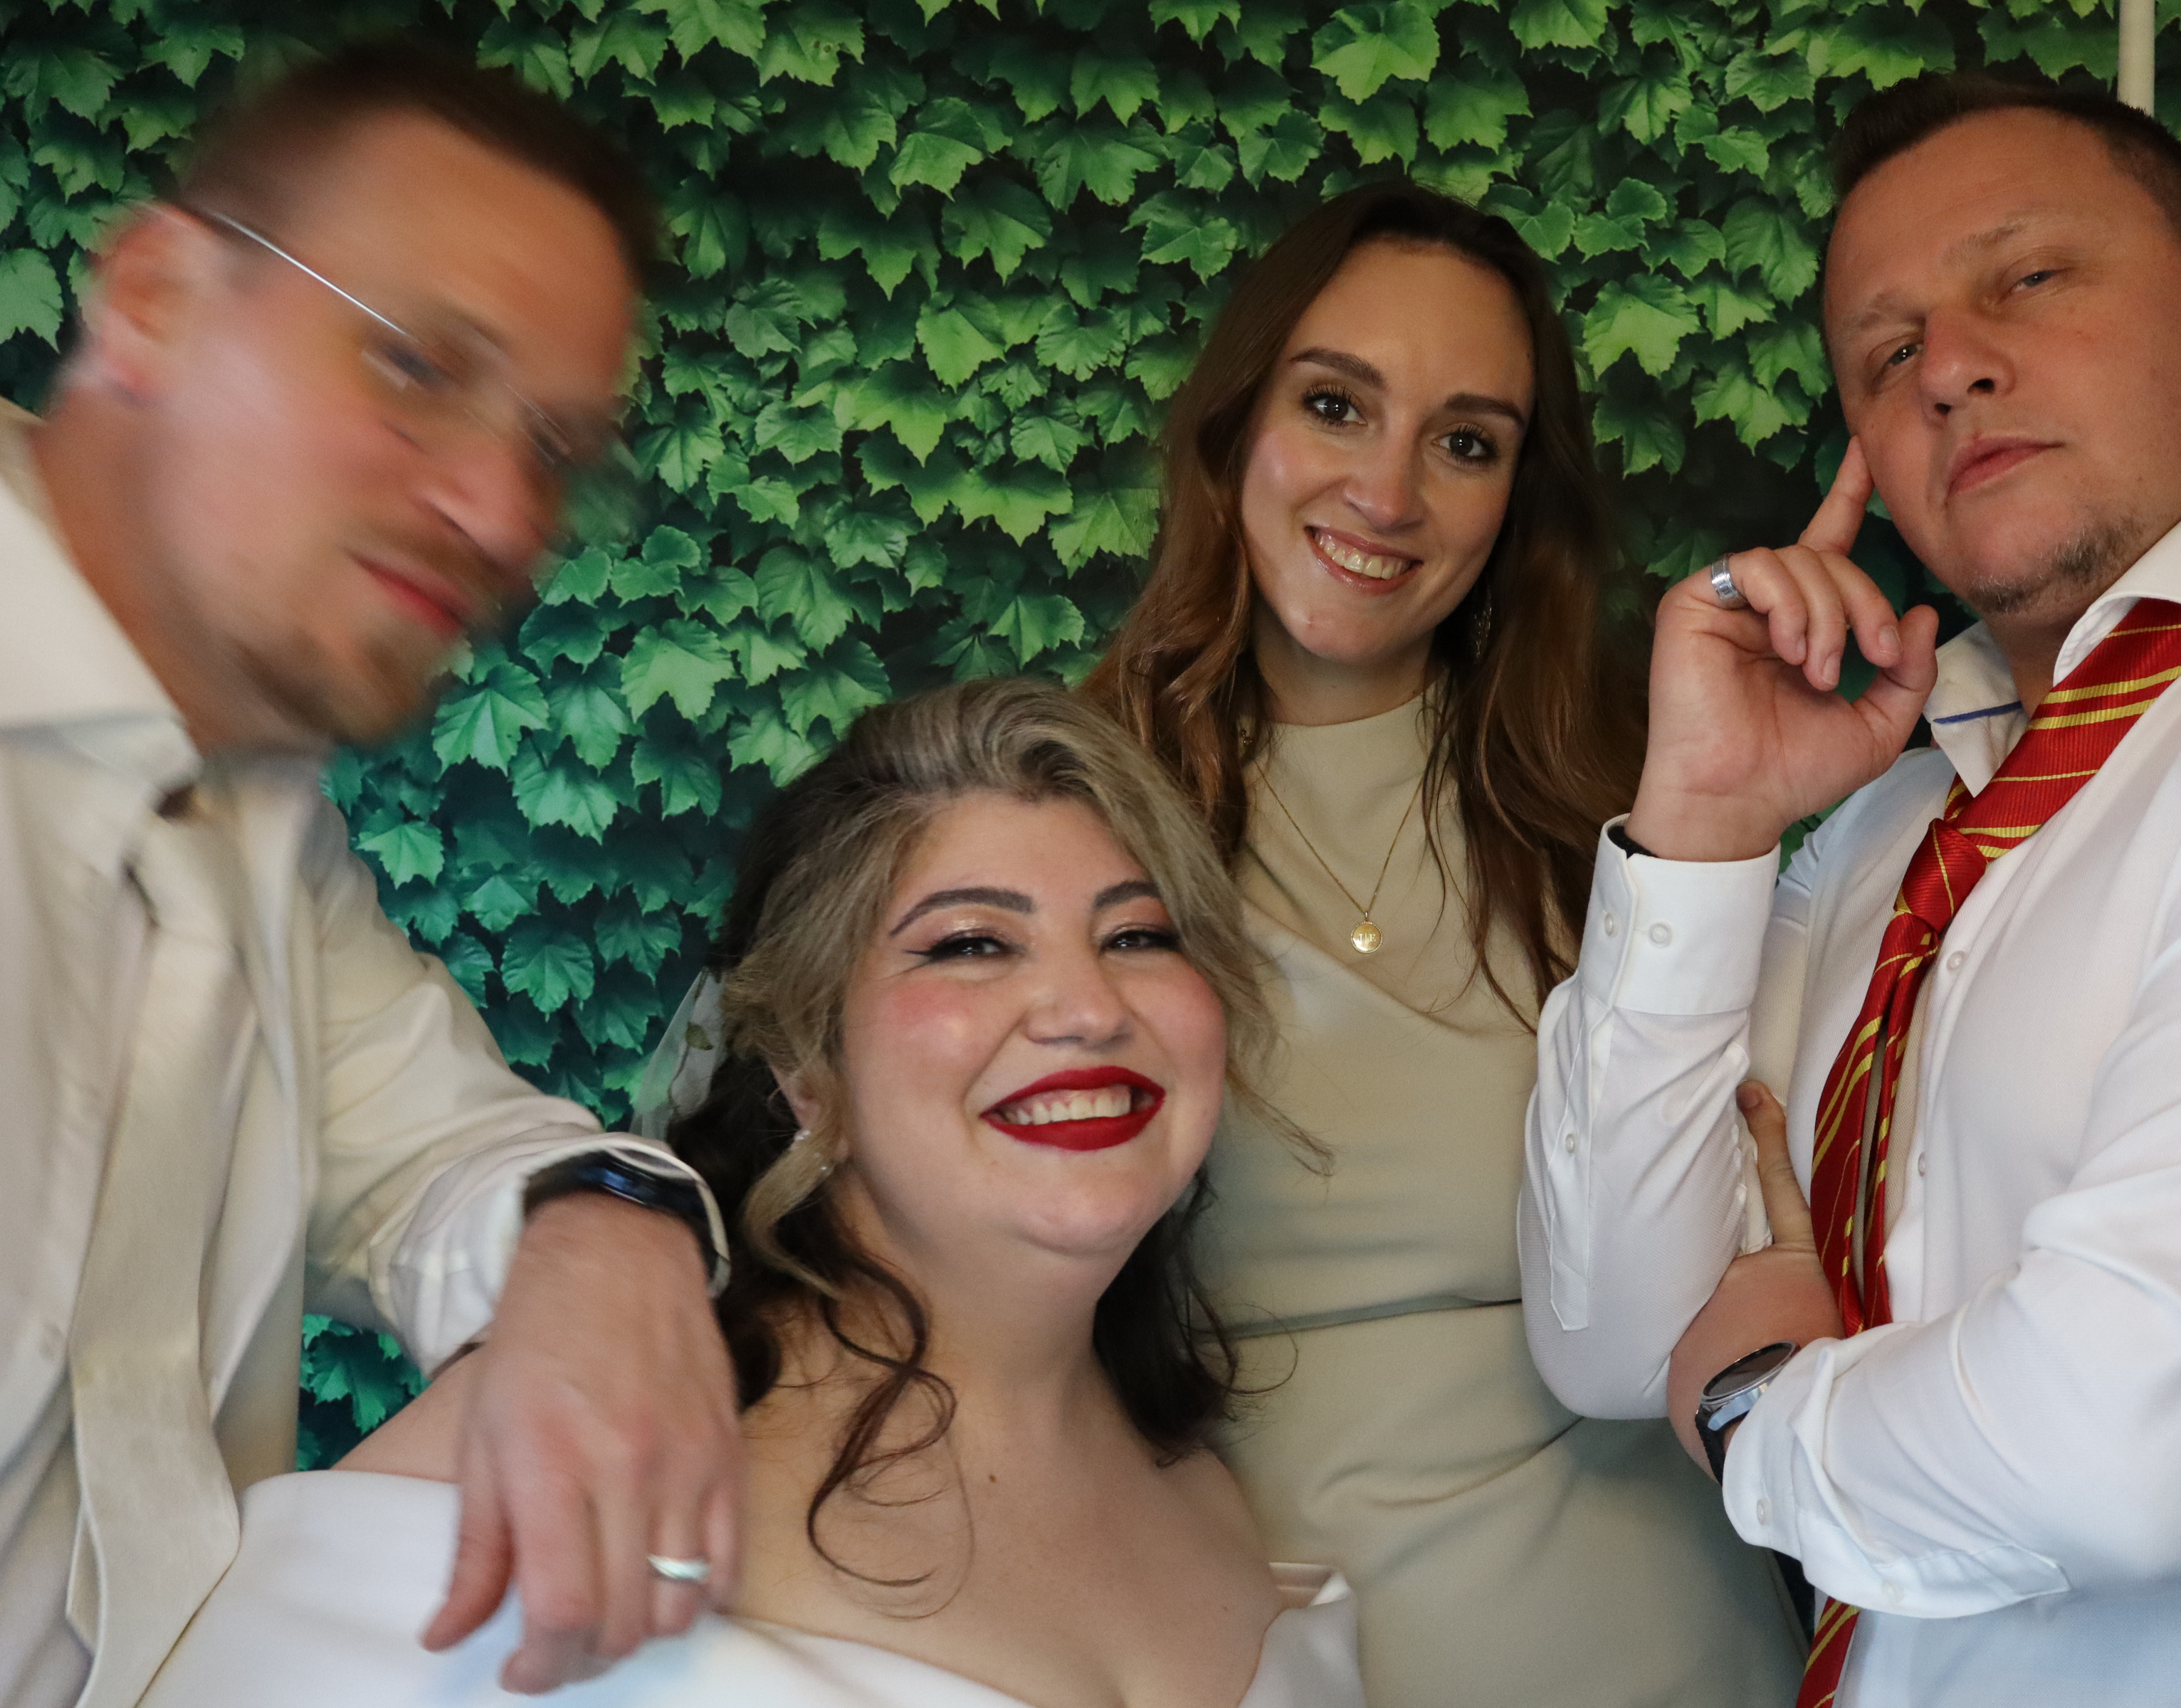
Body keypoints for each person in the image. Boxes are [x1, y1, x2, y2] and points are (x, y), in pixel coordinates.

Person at [1523, 69, 2181, 1707]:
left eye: (2029, 277)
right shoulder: (1889, 830)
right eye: (1887, 355)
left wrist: (1758, 1412)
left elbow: (2146, 1445)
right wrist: (1704, 827)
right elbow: (1605, 1336)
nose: (1950, 365)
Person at [139, 679, 1367, 1708]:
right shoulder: (587, 1436)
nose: (1089, 1007)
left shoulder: (1211, 1491)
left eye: (1139, 936)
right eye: (970, 944)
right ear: (806, 1072)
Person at [0, 43, 749, 1708]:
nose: (498, 513)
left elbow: (435, 1150)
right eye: (415, 364)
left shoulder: (252, 808)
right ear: (153, 299)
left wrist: (608, 1227)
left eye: (556, 451)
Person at [1084, 182, 1805, 1707]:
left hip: (1677, 1649)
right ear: (1234, 424)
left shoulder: (1643, 808)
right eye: (1335, 405)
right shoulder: (1057, 819)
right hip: (1265, 1664)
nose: (1388, 491)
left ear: (1518, 502)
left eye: (1465, 442)